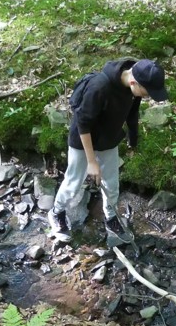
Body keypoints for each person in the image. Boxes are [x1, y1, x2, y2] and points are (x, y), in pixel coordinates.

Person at [48, 58, 168, 244]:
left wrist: (133, 137)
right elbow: (83, 123)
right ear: (134, 82)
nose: (147, 97)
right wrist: (91, 161)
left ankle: (111, 219)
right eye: (147, 93)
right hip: (82, 140)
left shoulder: (133, 89)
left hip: (109, 139)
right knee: (73, 183)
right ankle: (56, 212)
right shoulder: (100, 87)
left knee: (112, 184)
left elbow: (132, 112)